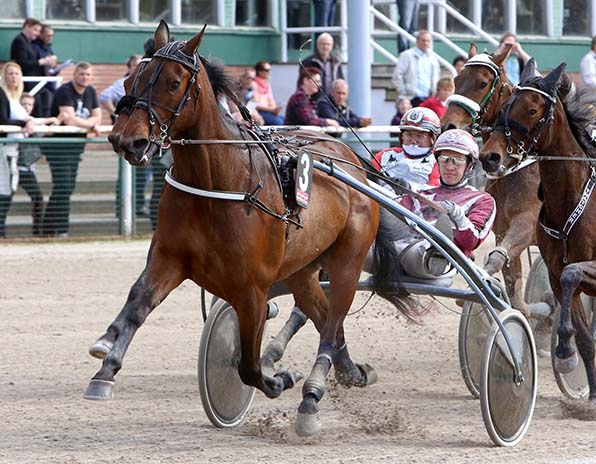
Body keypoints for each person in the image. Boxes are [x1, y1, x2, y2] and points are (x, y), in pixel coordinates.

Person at [379, 129, 496, 279]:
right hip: (398, 248)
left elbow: (472, 242)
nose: (449, 166)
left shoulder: (481, 200)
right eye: (444, 159)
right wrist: (398, 193)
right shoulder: (421, 192)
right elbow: (396, 226)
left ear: (470, 166)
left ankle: (438, 250)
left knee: (423, 250)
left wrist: (457, 214)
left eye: (458, 160)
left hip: (435, 259)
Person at [42, 61, 102, 237]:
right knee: (63, 186)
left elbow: (97, 115)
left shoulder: (90, 91)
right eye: (82, 74)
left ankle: (48, 228)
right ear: (75, 75)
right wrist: (90, 124)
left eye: (88, 75)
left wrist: (91, 123)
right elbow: (69, 119)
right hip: (59, 146)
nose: (85, 78)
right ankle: (59, 229)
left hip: (76, 147)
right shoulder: (64, 91)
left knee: (67, 187)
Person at [0, 62, 37, 238]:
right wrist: (25, 123)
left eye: (16, 73)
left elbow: (27, 119)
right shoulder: (2, 94)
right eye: (10, 73)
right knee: (6, 190)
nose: (13, 76)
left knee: (9, 190)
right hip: (5, 149)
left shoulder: (16, 98)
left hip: (16, 149)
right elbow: (3, 120)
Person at [15, 92, 60, 236]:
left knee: (38, 198)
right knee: (5, 198)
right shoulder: (13, 118)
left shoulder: (33, 122)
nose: (26, 107)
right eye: (23, 104)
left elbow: (47, 131)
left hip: (25, 169)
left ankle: (37, 232)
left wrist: (57, 119)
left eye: (29, 104)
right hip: (10, 166)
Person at [372, 107, 441, 191]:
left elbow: (436, 191)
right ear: (402, 136)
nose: (413, 140)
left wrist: (408, 187)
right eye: (409, 135)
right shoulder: (384, 155)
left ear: (432, 138)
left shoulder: (437, 161)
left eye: (419, 136)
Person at [10, 18, 57, 99]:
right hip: (28, 83)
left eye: (39, 31)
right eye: (35, 30)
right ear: (27, 27)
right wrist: (40, 62)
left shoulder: (28, 42)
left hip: (35, 83)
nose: (38, 33)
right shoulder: (20, 41)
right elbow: (21, 62)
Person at [392, 30, 441, 108]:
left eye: (428, 41)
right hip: (411, 99)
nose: (426, 43)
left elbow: (437, 78)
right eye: (423, 40)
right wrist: (403, 93)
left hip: (429, 99)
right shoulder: (407, 55)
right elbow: (397, 75)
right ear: (417, 41)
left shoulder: (433, 58)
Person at [31, 24, 63, 117]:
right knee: (44, 108)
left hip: (49, 83)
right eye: (48, 35)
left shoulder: (48, 48)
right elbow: (35, 65)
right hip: (40, 84)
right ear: (41, 35)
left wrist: (56, 69)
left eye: (52, 36)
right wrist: (45, 61)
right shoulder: (34, 47)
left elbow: (52, 68)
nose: (50, 38)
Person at [253, 61, 284, 125]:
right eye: (267, 70)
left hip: (269, 111)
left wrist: (275, 109)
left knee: (285, 120)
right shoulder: (254, 84)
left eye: (270, 70)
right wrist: (272, 109)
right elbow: (254, 104)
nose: (269, 72)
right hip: (259, 113)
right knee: (278, 122)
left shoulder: (266, 84)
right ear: (259, 71)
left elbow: (271, 100)